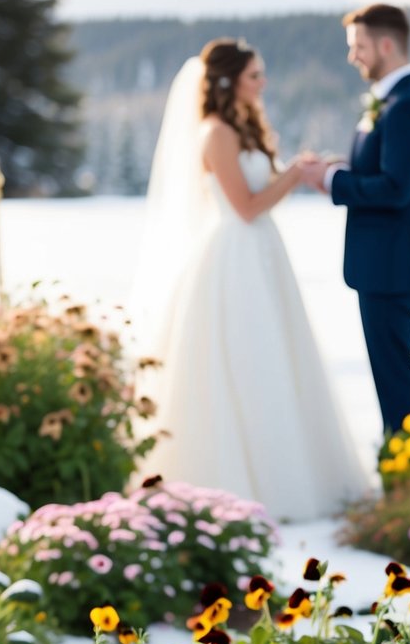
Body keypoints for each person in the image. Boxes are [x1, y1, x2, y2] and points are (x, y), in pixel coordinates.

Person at [135, 37, 367, 523]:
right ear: (228, 82)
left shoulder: (242, 126)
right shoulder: (216, 133)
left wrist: (292, 172)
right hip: (234, 258)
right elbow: (245, 206)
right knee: (244, 361)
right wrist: (295, 177)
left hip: (263, 254)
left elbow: (260, 194)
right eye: (254, 76)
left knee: (278, 359)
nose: (263, 83)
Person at [300, 4, 410, 436]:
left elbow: (397, 189)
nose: (353, 56)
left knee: (394, 372)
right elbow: (386, 170)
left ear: (385, 44)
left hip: (391, 264)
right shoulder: (392, 101)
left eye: (358, 45)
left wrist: (331, 180)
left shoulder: (407, 107)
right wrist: (342, 167)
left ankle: (406, 465)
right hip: (382, 263)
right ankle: (401, 459)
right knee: (387, 370)